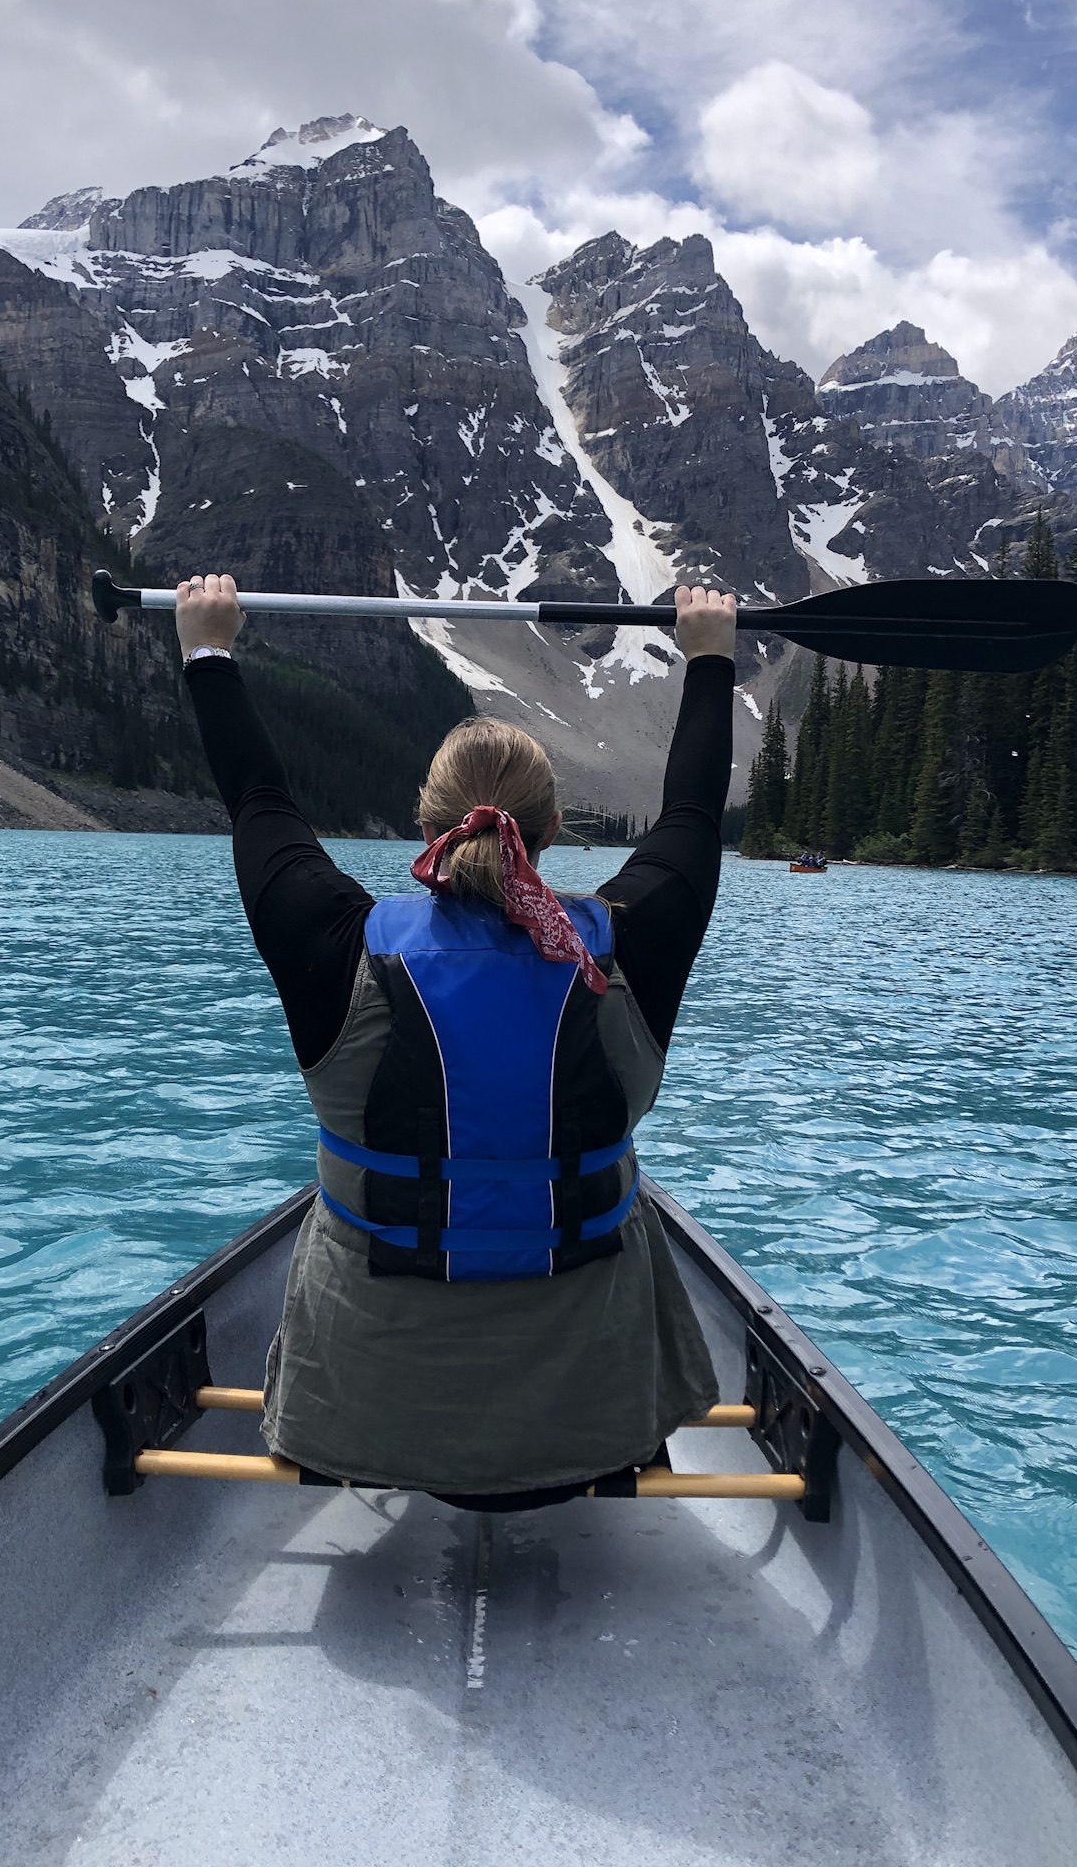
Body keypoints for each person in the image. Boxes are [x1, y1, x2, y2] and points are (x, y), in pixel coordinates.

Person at [176, 573, 739, 1504]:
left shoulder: (332, 942)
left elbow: (258, 802)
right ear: (555, 830)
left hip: (361, 1415)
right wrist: (711, 656)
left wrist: (207, 650)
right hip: (595, 1415)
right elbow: (690, 820)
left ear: (424, 827)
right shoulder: (636, 936)